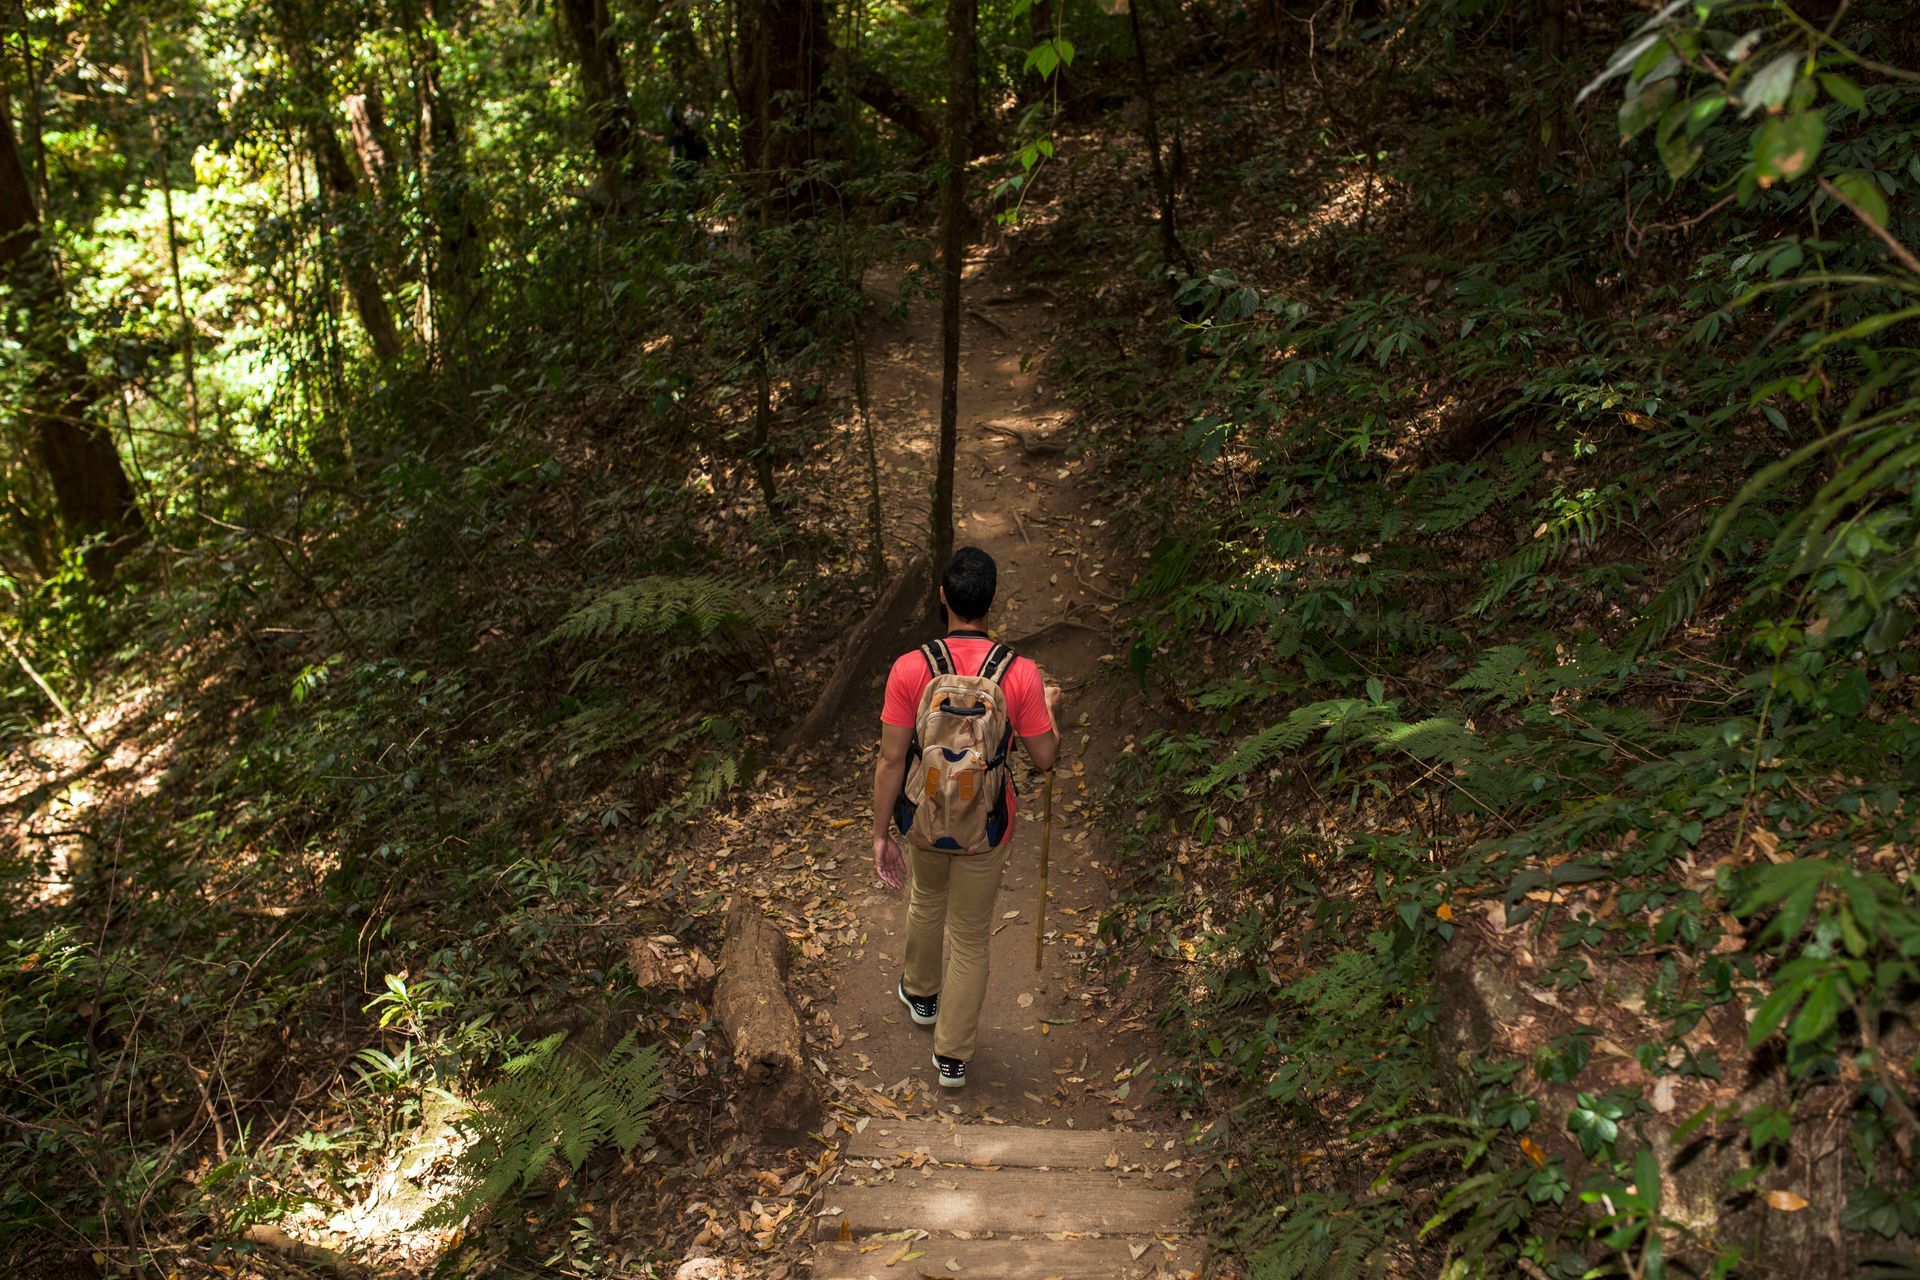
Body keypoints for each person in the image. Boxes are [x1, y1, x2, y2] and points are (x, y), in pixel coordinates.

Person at [870, 547, 1062, 1088]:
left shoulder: (910, 668)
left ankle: (921, 994)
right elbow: (1045, 757)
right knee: (972, 936)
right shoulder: (1020, 674)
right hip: (989, 823)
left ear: (942, 598)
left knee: (926, 898)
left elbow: (890, 760)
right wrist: (1049, 707)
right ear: (992, 599)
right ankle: (952, 1056)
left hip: (923, 813)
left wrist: (880, 833)